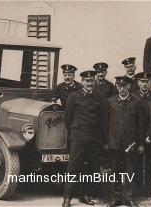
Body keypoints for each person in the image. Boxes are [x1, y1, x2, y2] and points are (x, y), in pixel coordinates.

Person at [62, 70, 106, 207]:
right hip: (78, 138)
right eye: (87, 81)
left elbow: (103, 119)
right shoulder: (73, 96)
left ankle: (85, 195)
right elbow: (67, 119)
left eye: (92, 81)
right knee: (73, 168)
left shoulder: (99, 97)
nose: (89, 83)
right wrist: (75, 132)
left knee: (91, 169)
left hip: (93, 139)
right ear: (82, 82)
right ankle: (67, 198)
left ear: (94, 82)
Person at [105, 76, 144, 207]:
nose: (122, 89)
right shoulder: (110, 102)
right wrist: (106, 142)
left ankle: (129, 197)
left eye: (124, 86)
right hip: (114, 143)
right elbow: (105, 124)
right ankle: (115, 197)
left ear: (129, 87)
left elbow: (141, 126)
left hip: (130, 145)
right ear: (116, 87)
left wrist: (140, 144)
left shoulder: (137, 102)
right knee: (114, 170)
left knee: (129, 171)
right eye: (119, 86)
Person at [131, 72, 151, 196]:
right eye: (142, 81)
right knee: (136, 161)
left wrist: (150, 134)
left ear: (150, 83)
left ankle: (148, 189)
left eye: (147, 81)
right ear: (138, 83)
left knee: (150, 162)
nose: (145, 84)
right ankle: (137, 188)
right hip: (137, 135)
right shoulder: (133, 96)